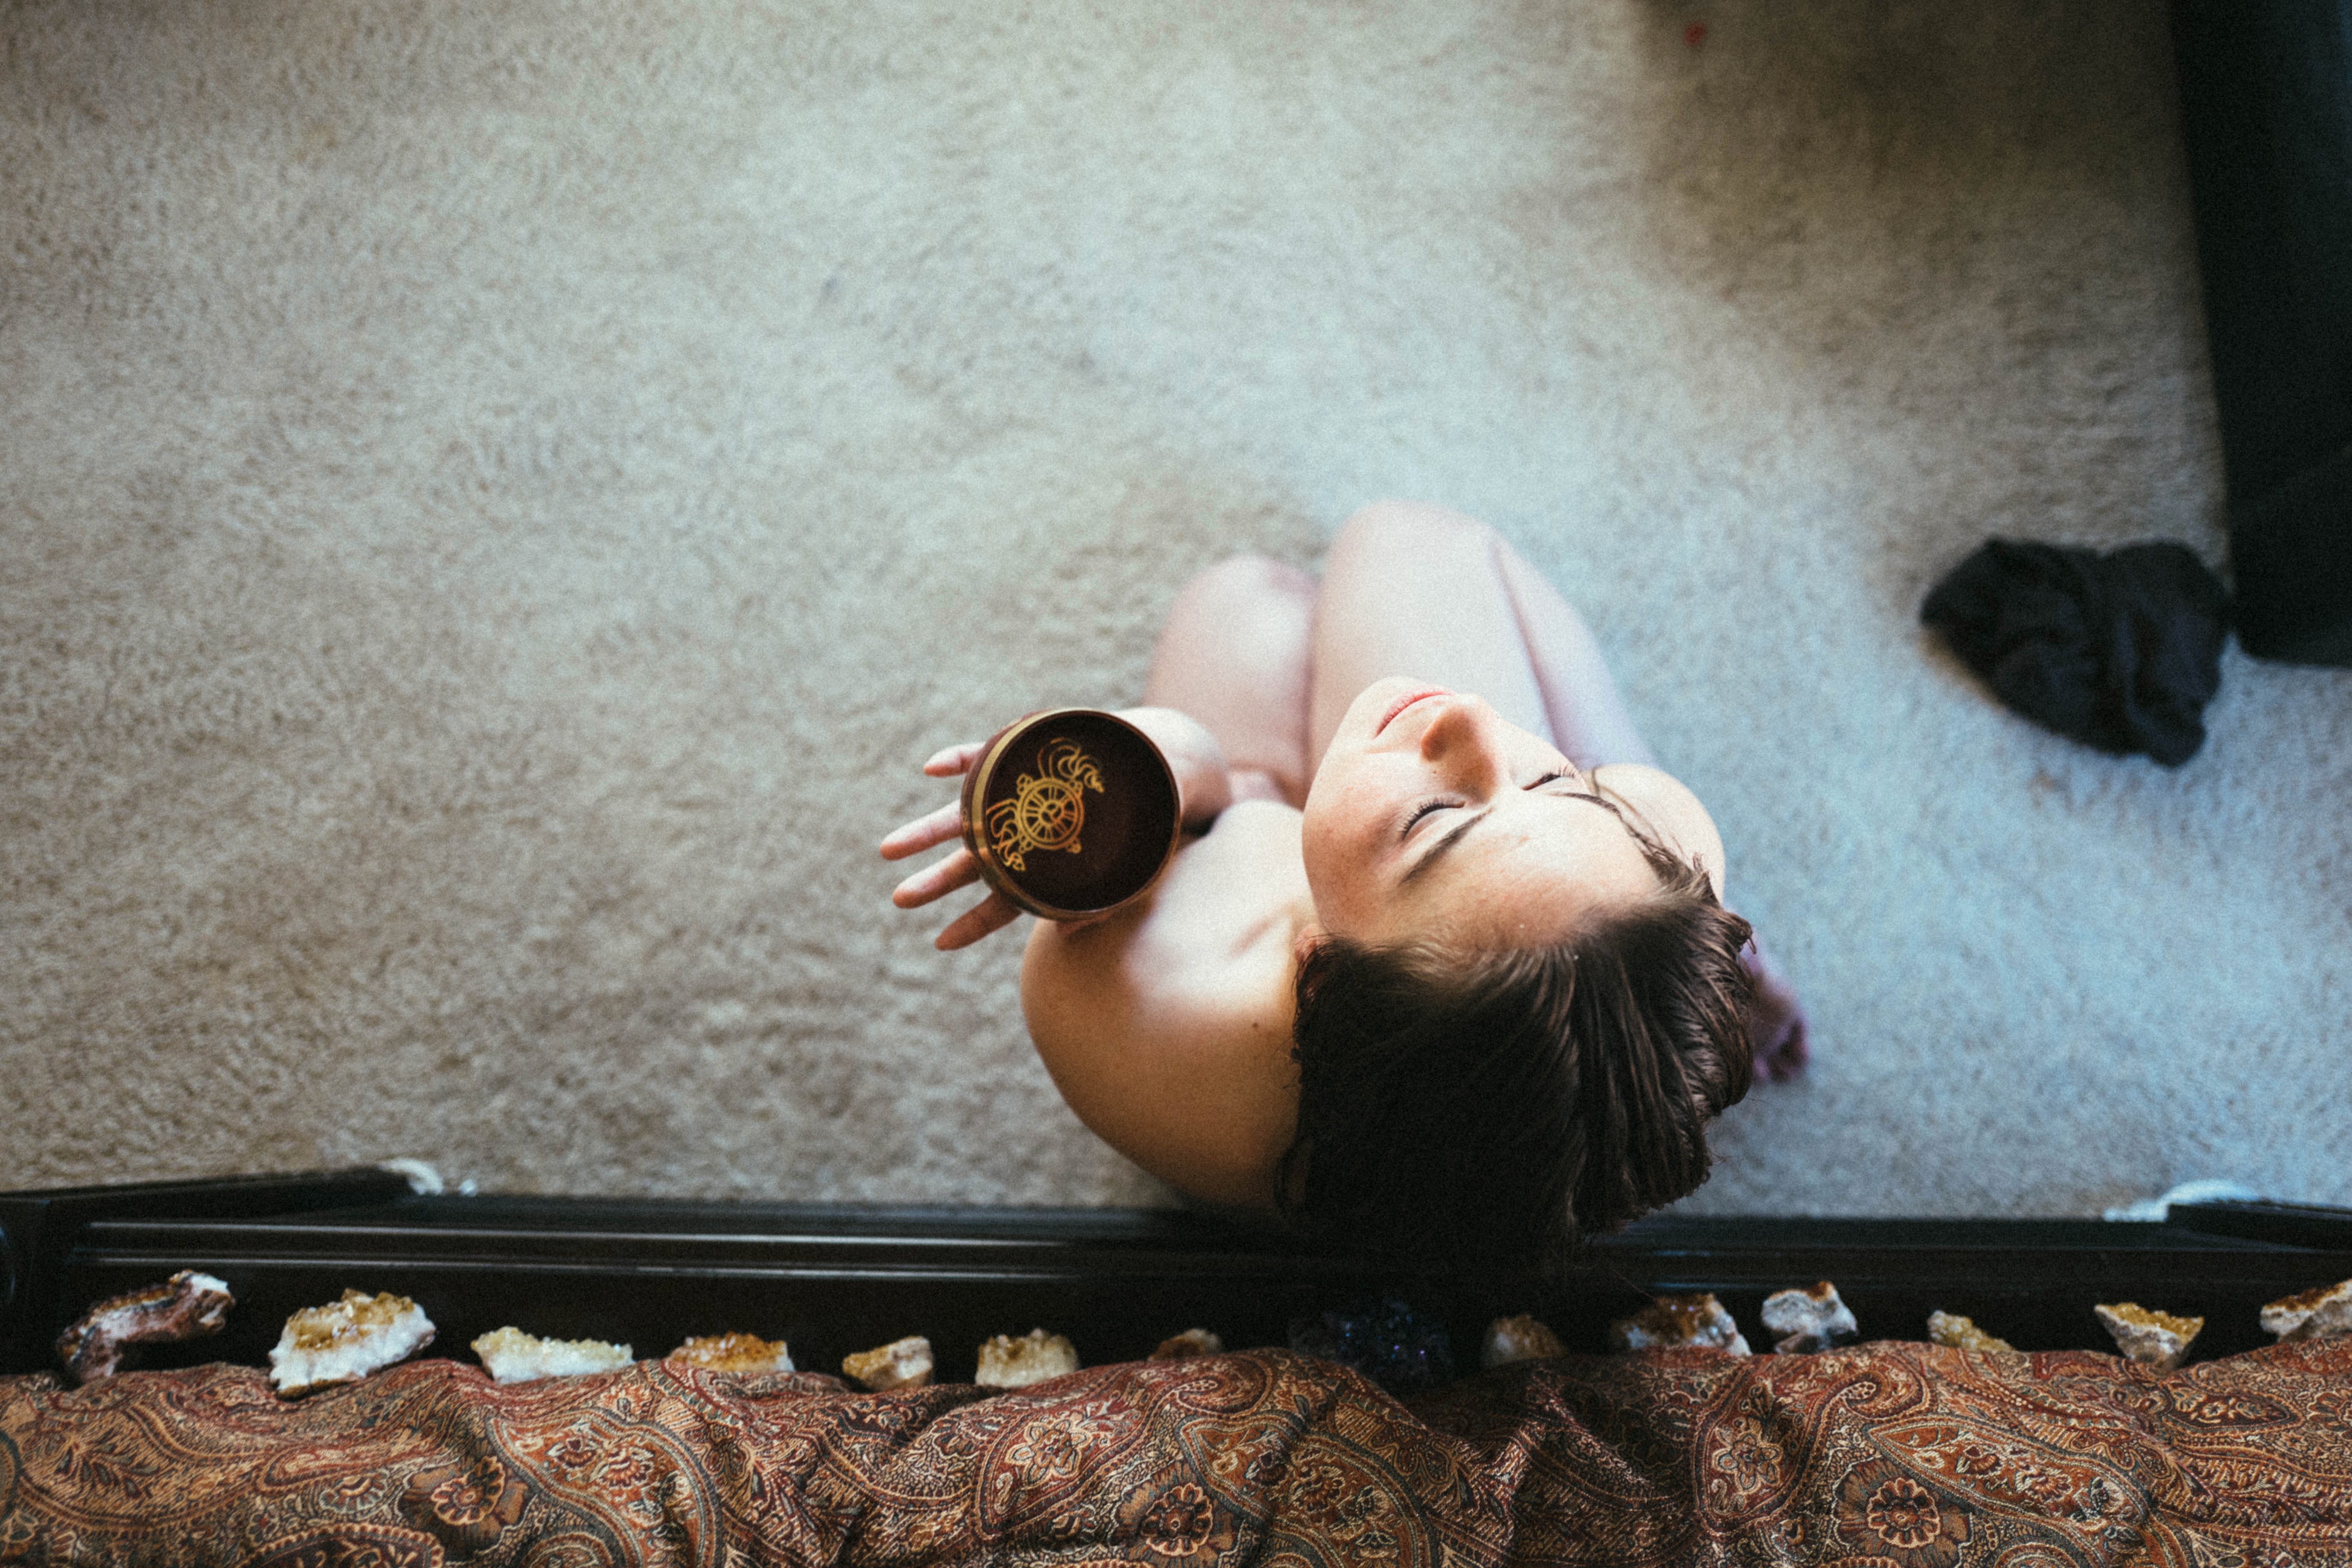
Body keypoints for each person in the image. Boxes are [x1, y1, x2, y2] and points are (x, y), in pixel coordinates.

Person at [880, 501, 1807, 1272]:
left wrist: (1157, 776)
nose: (1471, 718)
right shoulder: (1638, 849)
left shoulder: (1143, 1004)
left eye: (1434, 818)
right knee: (1338, 579)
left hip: (1237, 850)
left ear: (1316, 967)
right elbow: (1646, 831)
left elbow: (1204, 802)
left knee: (1264, 588)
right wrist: (1706, 981)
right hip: (1397, 915)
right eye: (1557, 780)